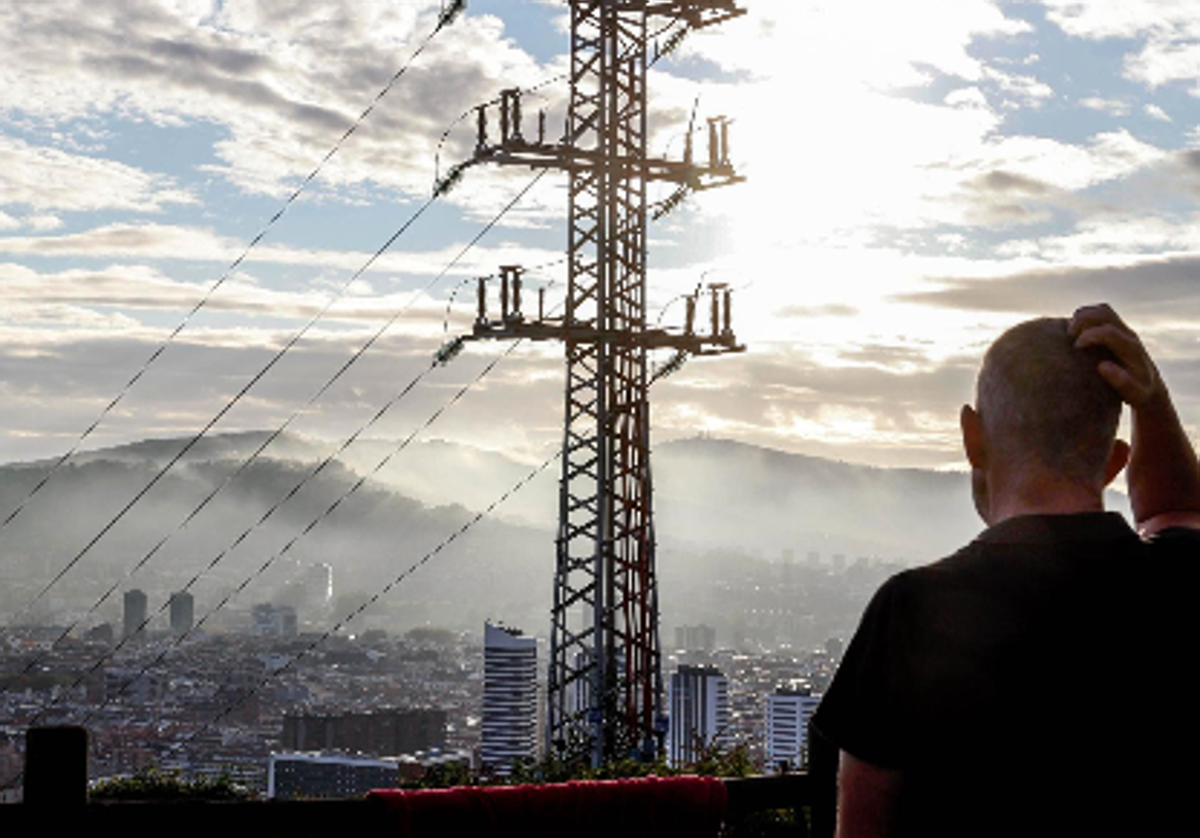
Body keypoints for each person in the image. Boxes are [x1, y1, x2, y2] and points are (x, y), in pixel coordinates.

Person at [811, 304, 1200, 837]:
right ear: (1114, 462)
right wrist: (1150, 399)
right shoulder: (1181, 582)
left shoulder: (912, 612)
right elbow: (1176, 511)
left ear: (973, 437)